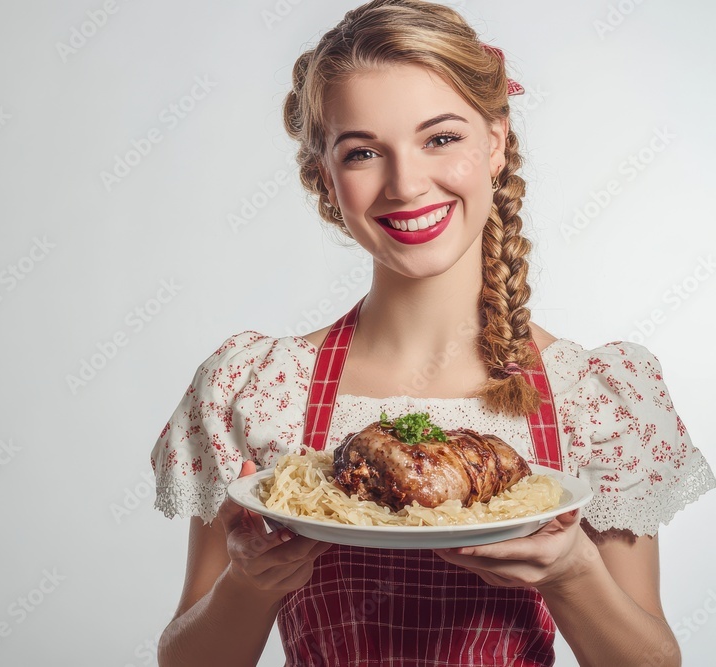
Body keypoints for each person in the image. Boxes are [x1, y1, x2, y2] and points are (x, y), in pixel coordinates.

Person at [149, 1, 716, 665]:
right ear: (327, 179)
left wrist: (571, 572)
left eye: (440, 138)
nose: (407, 183)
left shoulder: (596, 397)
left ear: (496, 141)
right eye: (362, 151)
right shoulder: (255, 389)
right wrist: (248, 582)